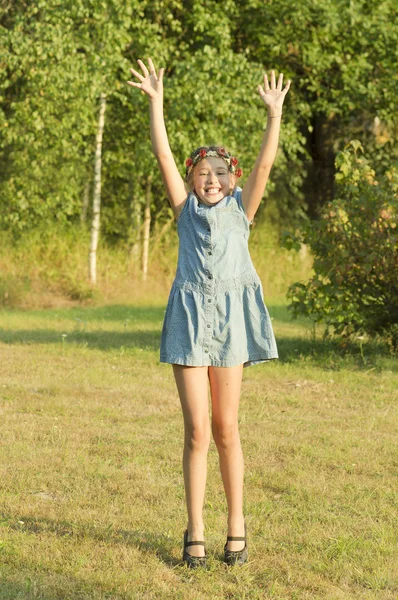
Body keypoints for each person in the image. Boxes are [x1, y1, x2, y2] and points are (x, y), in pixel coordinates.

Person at [128, 58, 290, 568]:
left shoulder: (242, 211)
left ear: (232, 178)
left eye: (220, 172)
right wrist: (157, 103)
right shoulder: (184, 211)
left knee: (226, 428)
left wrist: (274, 116)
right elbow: (162, 152)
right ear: (194, 178)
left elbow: (265, 166)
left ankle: (236, 525)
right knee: (197, 429)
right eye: (204, 172)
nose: (212, 180)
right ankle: (195, 528)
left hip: (231, 323)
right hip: (190, 321)